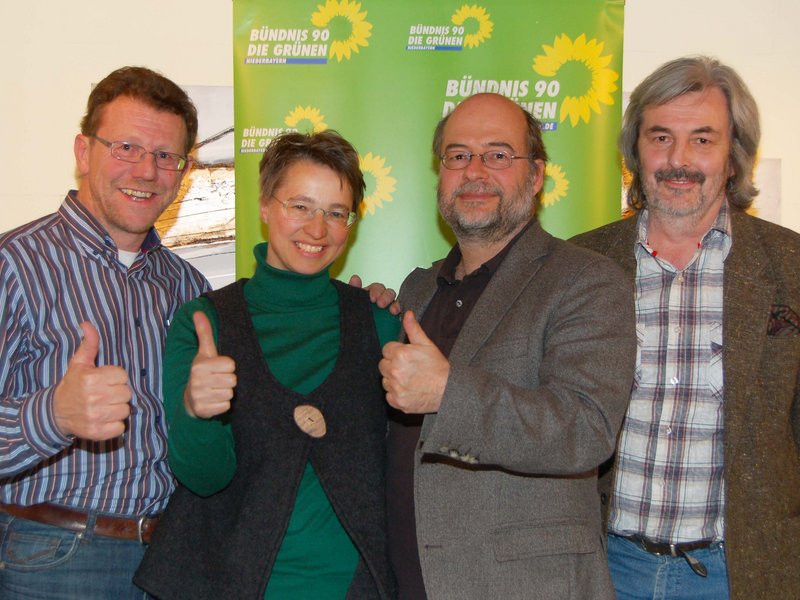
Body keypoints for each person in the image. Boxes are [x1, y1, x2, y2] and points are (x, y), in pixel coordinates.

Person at [378, 92, 637, 599]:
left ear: (536, 176)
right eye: (458, 156)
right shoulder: (417, 289)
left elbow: (586, 429)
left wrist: (446, 393)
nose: (474, 171)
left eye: (498, 155)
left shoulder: (586, 280)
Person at [571, 56, 800, 600]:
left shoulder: (791, 266)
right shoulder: (580, 265)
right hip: (603, 569)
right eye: (660, 137)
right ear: (635, 152)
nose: (678, 160)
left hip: (743, 574)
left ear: (733, 156)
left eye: (702, 140)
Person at [134, 130, 399, 599]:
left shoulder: (378, 321)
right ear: (264, 207)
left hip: (355, 587)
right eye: (300, 206)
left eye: (336, 213)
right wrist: (197, 413)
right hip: (234, 584)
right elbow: (202, 477)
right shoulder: (204, 321)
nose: (317, 229)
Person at [0, 66, 210, 598]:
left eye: (166, 156)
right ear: (83, 151)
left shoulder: (187, 284)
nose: (146, 170)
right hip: (54, 557)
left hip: (171, 557)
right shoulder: (14, 264)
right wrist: (52, 415)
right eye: (125, 147)